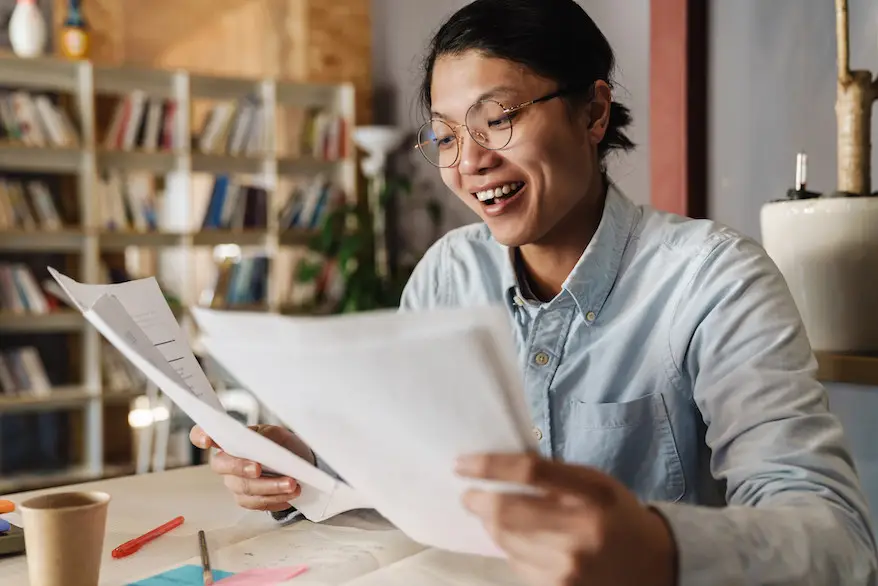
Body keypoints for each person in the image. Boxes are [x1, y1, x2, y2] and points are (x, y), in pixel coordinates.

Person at [190, 0, 878, 584]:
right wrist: (296, 461)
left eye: (498, 118)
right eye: (446, 136)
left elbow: (837, 540)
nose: (471, 161)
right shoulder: (446, 274)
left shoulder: (714, 281)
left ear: (594, 113)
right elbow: (402, 454)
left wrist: (658, 546)